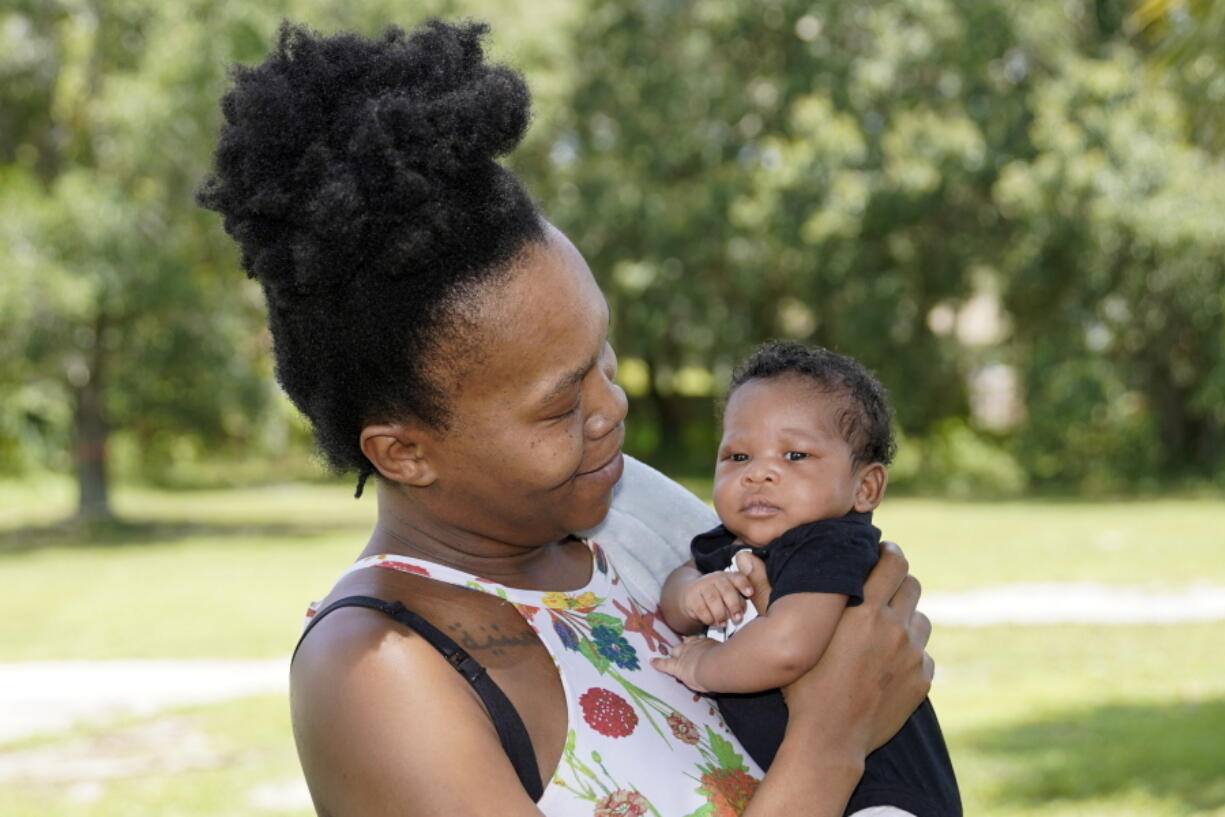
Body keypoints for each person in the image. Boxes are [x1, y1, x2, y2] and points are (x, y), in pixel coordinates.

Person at [198, 18, 933, 817]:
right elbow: (841, 706)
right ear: (404, 450)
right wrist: (835, 738)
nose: (610, 409)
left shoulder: (628, 515)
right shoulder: (382, 670)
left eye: (604, 360)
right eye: (559, 405)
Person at [655, 342, 961, 816]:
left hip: (885, 794)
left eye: (795, 455)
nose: (760, 473)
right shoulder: (735, 541)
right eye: (738, 457)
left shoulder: (831, 545)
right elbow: (679, 586)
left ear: (865, 487)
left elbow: (787, 649)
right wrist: (694, 594)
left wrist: (702, 667)